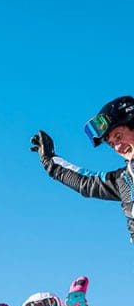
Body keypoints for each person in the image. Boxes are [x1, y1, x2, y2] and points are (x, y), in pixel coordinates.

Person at [31, 95, 134, 243]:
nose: (118, 147)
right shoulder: (125, 180)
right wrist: (50, 162)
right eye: (111, 144)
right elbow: (87, 182)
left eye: (118, 137)